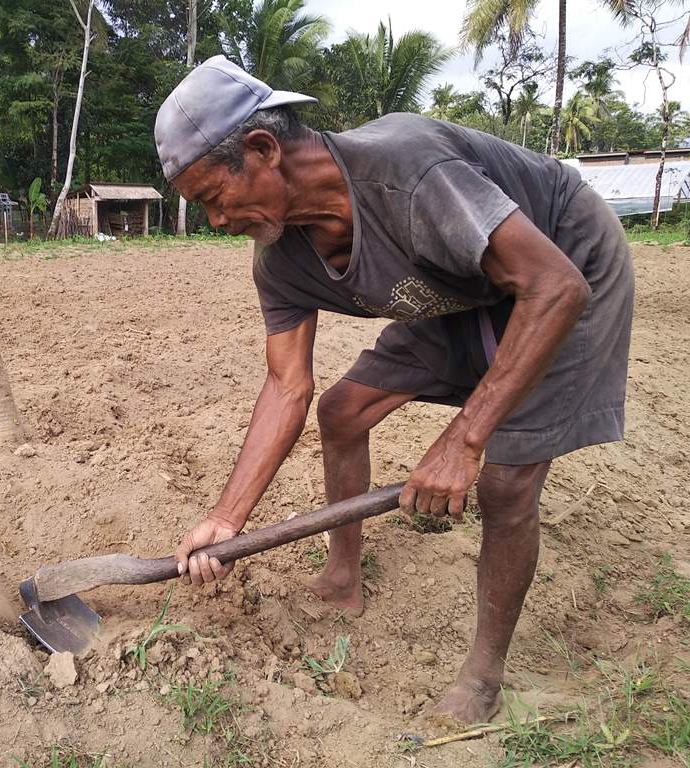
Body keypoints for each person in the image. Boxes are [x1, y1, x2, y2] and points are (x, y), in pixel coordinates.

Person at [154, 56, 633, 724]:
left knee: (504, 483)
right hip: (456, 286)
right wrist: (227, 517)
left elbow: (554, 288)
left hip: (564, 263)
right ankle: (342, 575)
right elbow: (286, 385)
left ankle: (483, 676)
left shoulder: (408, 172)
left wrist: (464, 439)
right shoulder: (281, 259)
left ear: (262, 150)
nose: (215, 220)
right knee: (342, 412)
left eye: (213, 196)